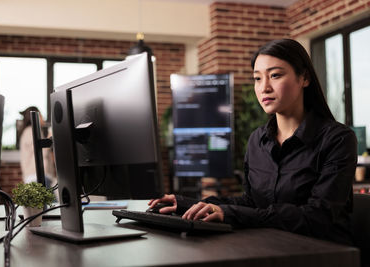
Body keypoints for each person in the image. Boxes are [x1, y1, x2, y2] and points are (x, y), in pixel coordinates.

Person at [149, 39, 357, 245]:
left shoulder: (337, 139)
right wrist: (189, 204)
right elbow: (251, 202)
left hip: (324, 253)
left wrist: (232, 213)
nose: (264, 87)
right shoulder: (258, 139)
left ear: (304, 78)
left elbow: (317, 217)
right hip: (270, 246)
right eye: (257, 78)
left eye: (275, 75)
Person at [19, 106, 57, 188]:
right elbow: (40, 151)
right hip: (36, 176)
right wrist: (50, 138)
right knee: (51, 201)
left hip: (36, 177)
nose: (43, 118)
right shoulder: (31, 131)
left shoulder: (30, 131)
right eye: (41, 115)